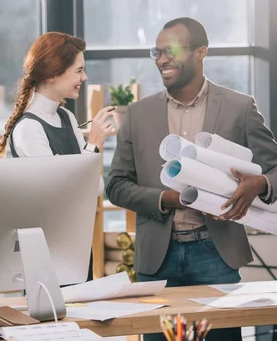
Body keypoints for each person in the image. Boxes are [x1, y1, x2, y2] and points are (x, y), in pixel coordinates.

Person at [106, 17, 277, 341]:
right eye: (156, 52)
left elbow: (275, 168)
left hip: (216, 251)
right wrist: (165, 198)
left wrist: (260, 184)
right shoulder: (137, 114)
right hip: (158, 257)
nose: (162, 59)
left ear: (201, 52)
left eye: (169, 50)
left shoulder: (239, 108)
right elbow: (115, 185)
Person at [0, 31, 115, 281]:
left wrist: (87, 157)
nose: (84, 77)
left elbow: (95, 187)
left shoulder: (67, 118)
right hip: (45, 253)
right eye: (78, 70)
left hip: (77, 246)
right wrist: (93, 144)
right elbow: (59, 194)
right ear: (53, 74)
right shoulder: (29, 128)